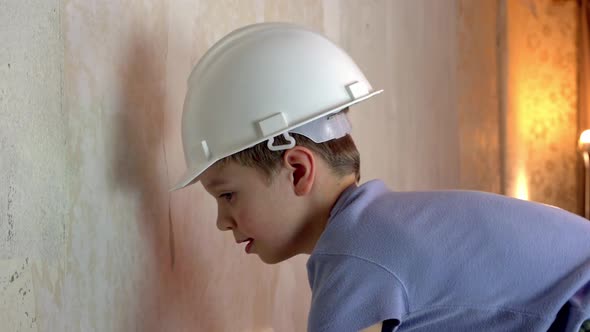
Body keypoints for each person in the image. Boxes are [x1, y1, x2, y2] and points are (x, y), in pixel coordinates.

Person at [171, 22, 590, 332]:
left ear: (297, 169)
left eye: (227, 195)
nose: (221, 221)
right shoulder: (381, 229)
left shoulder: (352, 257)